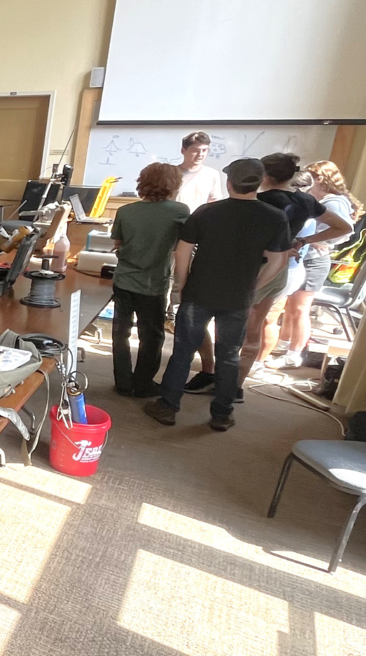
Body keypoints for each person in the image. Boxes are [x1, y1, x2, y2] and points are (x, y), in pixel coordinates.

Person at [145, 158, 292, 431]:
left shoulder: (206, 212)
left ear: (228, 182)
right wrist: (254, 287)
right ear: (259, 183)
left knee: (183, 352)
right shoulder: (274, 217)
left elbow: (182, 252)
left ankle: (168, 407)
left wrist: (182, 284)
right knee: (229, 355)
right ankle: (221, 414)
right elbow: (278, 261)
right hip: (238, 298)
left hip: (198, 292)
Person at [241, 155, 350, 382]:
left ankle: (227, 374)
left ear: (265, 175)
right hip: (285, 269)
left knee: (239, 322)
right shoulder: (305, 201)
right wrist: (305, 240)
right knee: (262, 321)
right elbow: (343, 227)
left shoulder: (258, 200)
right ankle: (241, 378)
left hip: (255, 268)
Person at [270, 159, 363, 369]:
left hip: (315, 261)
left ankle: (294, 354)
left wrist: (313, 240)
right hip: (304, 257)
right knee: (289, 308)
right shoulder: (315, 199)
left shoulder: (333, 203)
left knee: (300, 309)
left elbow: (343, 231)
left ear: (320, 178)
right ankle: (283, 344)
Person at [109, 162, 188, 397]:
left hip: (123, 280)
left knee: (120, 333)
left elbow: (118, 245)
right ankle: (143, 384)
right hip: (154, 283)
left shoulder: (126, 211)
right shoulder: (180, 211)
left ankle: (123, 382)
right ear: (173, 184)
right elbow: (184, 246)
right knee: (151, 335)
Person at [174, 131, 229, 394]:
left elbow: (214, 203)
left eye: (205, 151)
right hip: (173, 237)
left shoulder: (211, 175)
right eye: (196, 150)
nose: (200, 155)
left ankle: (208, 367)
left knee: (191, 306)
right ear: (184, 149)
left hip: (197, 241)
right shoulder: (172, 173)